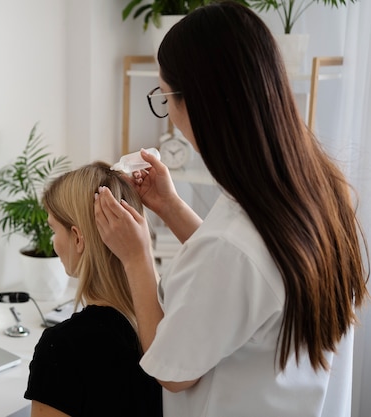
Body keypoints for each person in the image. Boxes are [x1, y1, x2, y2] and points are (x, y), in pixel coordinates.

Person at [94, 2, 369, 417]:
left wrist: (136, 258)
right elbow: (247, 281)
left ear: (200, 104)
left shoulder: (234, 244)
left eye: (165, 97)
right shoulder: (320, 190)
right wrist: (169, 206)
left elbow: (173, 370)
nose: (169, 112)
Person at [24, 162, 163, 417]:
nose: (53, 244)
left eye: (53, 229)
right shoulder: (163, 330)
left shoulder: (63, 347)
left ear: (78, 238)